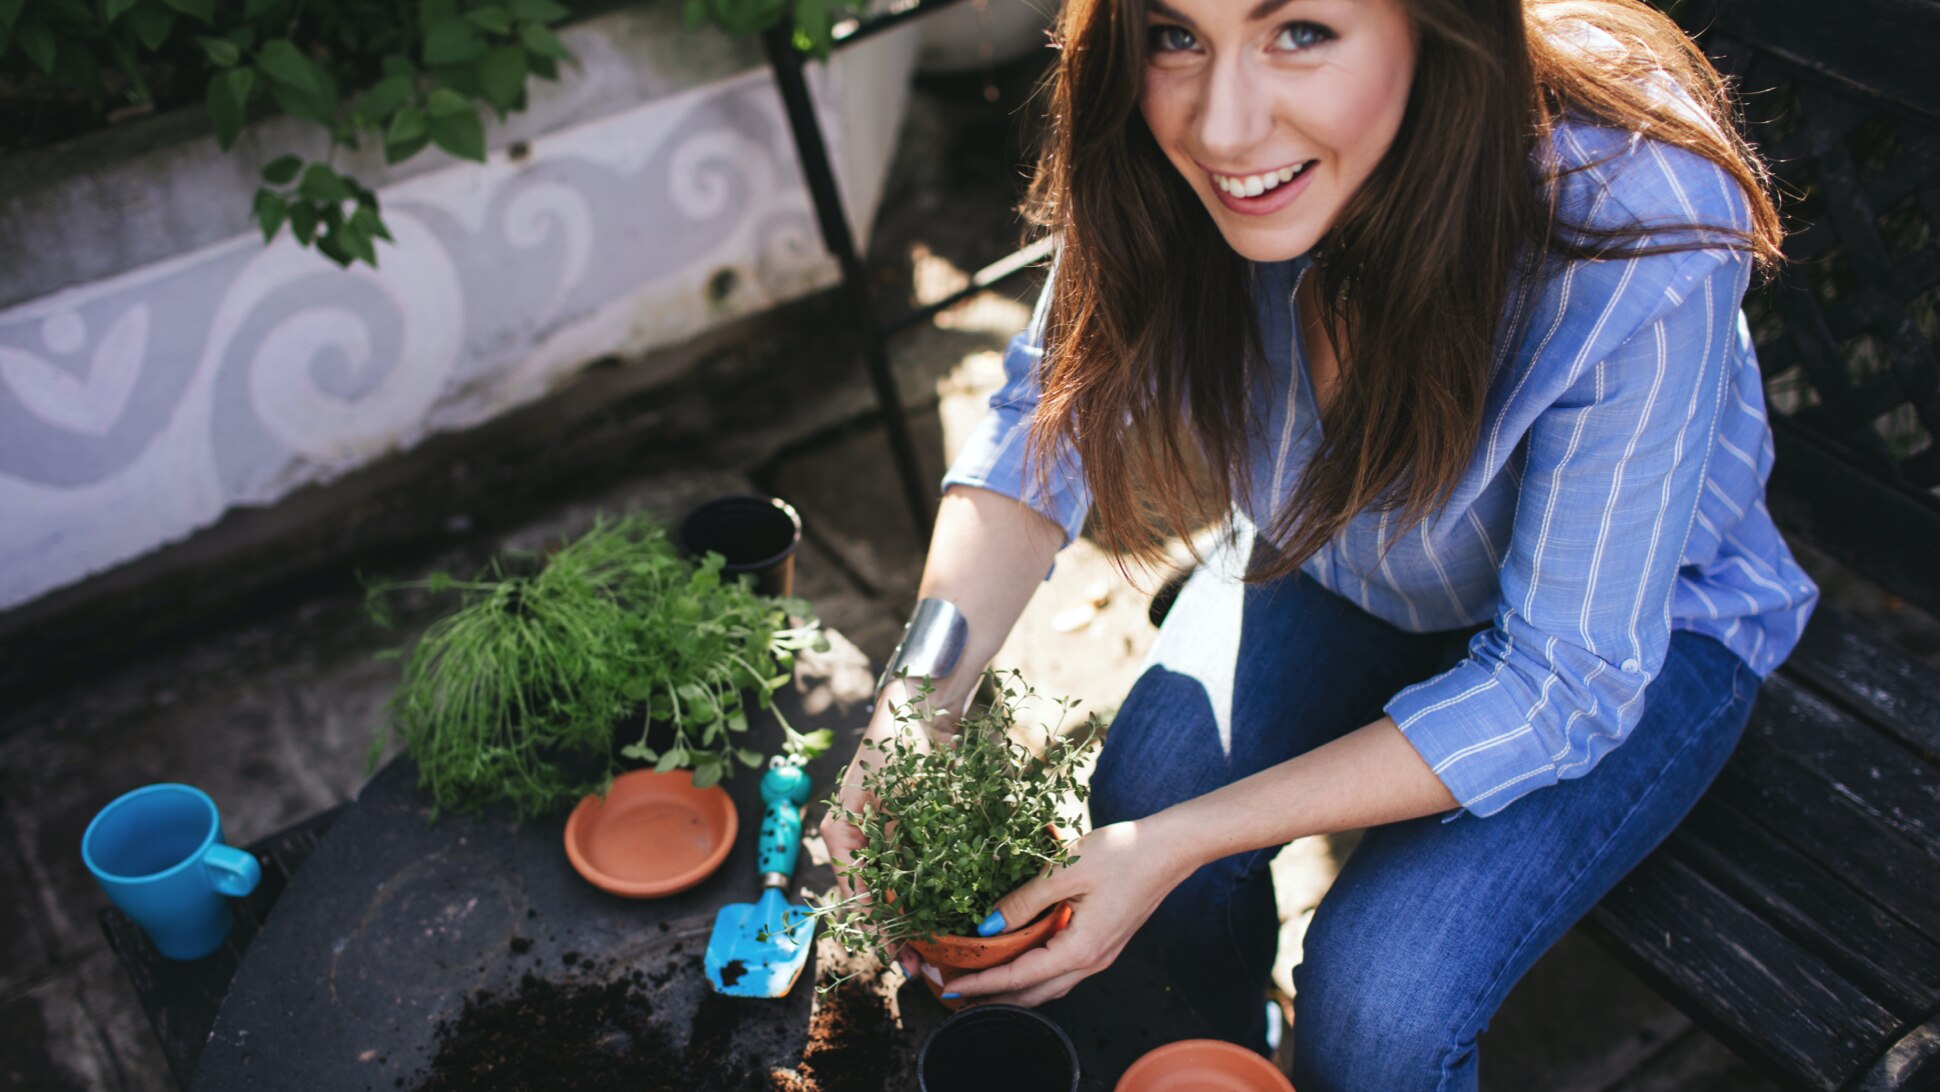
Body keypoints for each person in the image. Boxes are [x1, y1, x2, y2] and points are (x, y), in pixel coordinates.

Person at [821, 0, 1821, 1086]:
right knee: (1142, 792)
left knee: (1375, 998)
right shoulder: (1161, 156)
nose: (1221, 129)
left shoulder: (1634, 211)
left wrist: (1177, 842)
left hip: (1635, 631)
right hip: (1343, 558)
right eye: (1174, 34)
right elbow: (1042, 420)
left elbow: (1558, 681)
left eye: (1297, 29)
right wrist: (914, 704)